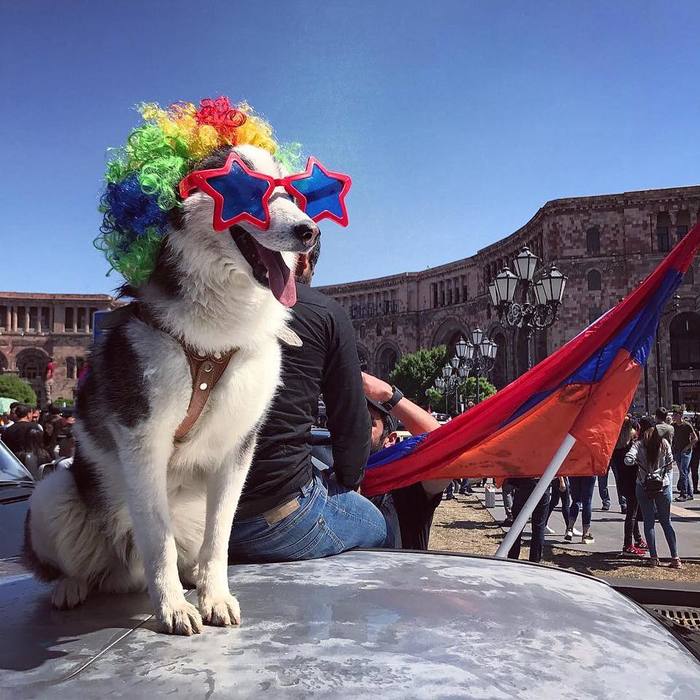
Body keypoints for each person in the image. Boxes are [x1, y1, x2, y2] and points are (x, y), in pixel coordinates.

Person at [229, 241, 387, 563]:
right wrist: (347, 483)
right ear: (301, 259)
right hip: (275, 518)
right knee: (375, 524)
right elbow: (352, 426)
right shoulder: (324, 312)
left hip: (188, 522)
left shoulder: (203, 301)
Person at [363, 373, 450, 550]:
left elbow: (444, 446)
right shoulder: (331, 478)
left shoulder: (406, 485)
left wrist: (388, 395)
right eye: (352, 418)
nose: (357, 425)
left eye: (369, 422)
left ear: (390, 438)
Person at [625, 426, 681, 568]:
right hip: (663, 486)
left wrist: (632, 460)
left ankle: (654, 557)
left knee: (649, 523)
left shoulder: (639, 444)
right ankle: (675, 558)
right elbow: (669, 464)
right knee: (666, 522)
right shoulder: (664, 444)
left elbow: (628, 458)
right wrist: (662, 475)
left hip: (644, 486)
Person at [612, 416, 647, 556]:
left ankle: (637, 539)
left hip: (623, 483)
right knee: (632, 514)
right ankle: (628, 544)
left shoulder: (617, 448)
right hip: (632, 482)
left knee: (632, 512)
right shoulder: (629, 448)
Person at [505, 478, 551, 563]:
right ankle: (535, 560)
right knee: (539, 527)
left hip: (524, 485)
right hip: (543, 484)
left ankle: (512, 557)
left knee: (517, 526)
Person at [671, 407, 698, 502]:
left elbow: (695, 438)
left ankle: (684, 494)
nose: (674, 416)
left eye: (676, 415)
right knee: (684, 472)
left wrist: (687, 447)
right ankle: (689, 493)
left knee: (683, 471)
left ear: (680, 415)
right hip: (677, 451)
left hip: (686, 452)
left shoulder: (687, 425)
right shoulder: (673, 425)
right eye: (673, 415)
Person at [567, 475, 596, 544]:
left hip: (575, 471)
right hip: (589, 471)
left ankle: (570, 528)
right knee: (587, 502)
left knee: (576, 501)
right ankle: (585, 534)